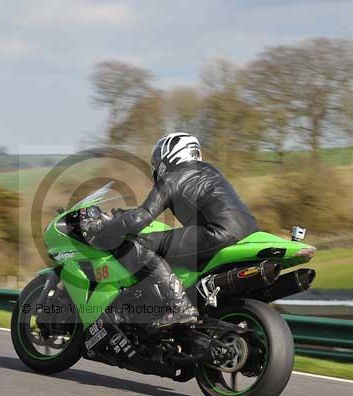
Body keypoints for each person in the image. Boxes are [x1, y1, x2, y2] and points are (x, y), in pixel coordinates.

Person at [85, 132, 260, 330]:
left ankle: (179, 307)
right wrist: (120, 214)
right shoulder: (212, 171)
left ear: (171, 153)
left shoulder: (171, 178)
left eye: (159, 156)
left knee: (140, 243)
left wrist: (101, 227)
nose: (156, 163)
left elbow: (140, 218)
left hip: (217, 232)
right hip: (249, 230)